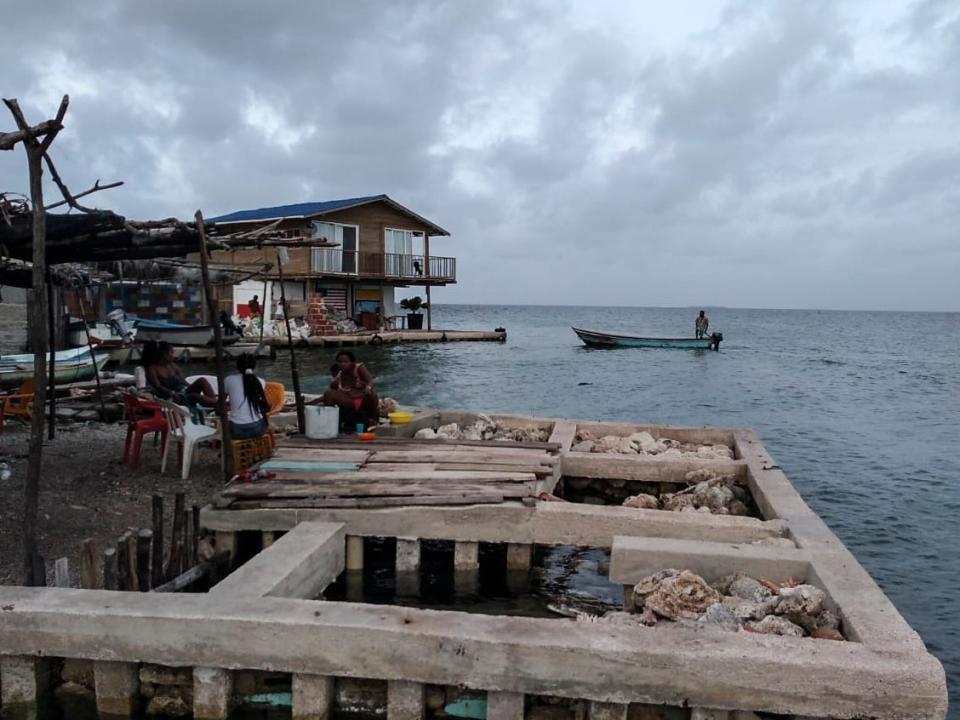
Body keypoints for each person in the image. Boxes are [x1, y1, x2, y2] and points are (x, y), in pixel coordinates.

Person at [144, 341, 218, 407]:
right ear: (164, 354)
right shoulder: (152, 369)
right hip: (170, 398)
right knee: (195, 396)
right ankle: (219, 405)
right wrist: (172, 393)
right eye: (171, 352)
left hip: (183, 393)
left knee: (202, 381)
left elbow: (184, 382)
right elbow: (158, 386)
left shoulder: (173, 366)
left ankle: (217, 404)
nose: (173, 355)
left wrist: (193, 387)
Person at [317, 350, 378, 430]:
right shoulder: (339, 375)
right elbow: (330, 392)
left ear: (352, 362)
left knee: (372, 394)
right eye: (340, 362)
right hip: (350, 401)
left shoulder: (359, 367)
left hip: (361, 400)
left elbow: (370, 379)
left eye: (346, 362)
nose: (342, 364)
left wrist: (368, 387)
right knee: (328, 394)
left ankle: (371, 420)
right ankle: (332, 422)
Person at [223, 354, 270, 439]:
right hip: (258, 429)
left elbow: (221, 403)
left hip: (237, 429)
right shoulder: (260, 381)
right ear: (254, 366)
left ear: (237, 367)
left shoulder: (229, 380)